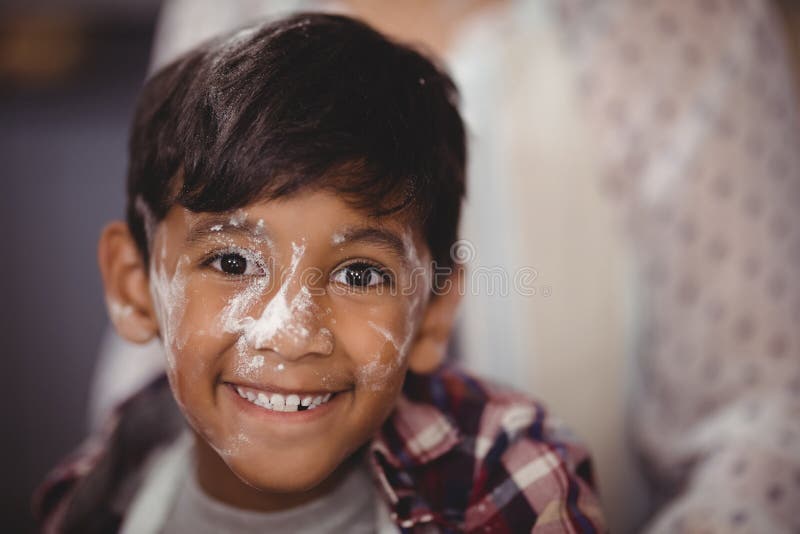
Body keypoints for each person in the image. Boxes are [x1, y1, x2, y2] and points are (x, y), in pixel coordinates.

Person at [33, 13, 606, 533]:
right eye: (232, 262)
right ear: (135, 287)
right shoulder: (92, 495)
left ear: (432, 313)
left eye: (359, 275)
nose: (291, 333)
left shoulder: (511, 479)